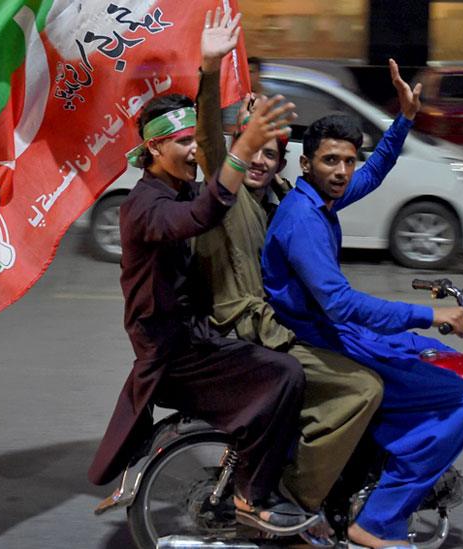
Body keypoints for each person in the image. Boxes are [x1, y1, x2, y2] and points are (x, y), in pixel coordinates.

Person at [87, 11, 316, 535]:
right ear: (152, 149)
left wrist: (219, 87)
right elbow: (202, 212)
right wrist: (230, 129)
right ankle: (251, 496)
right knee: (287, 375)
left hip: (197, 335)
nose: (194, 151)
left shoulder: (182, 185)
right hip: (175, 353)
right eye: (183, 144)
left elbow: (217, 164)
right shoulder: (144, 207)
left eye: (194, 141)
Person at [260, 59, 463, 549]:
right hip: (319, 338)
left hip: (334, 332)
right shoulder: (302, 221)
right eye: (330, 161)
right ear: (306, 164)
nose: (343, 171)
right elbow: (339, 304)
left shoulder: (321, 200)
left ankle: (366, 482)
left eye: (347, 160)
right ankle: (377, 520)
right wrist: (430, 314)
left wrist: (405, 118)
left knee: (419, 353)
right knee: (460, 397)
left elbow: (376, 170)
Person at [192, 19, 383, 521]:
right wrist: (210, 70)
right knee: (361, 388)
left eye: (270, 154)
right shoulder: (226, 199)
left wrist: (404, 123)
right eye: (252, 151)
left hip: (284, 325)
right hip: (249, 331)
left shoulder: (282, 202)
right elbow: (213, 143)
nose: (258, 161)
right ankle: (299, 499)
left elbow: (356, 179)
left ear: (282, 165)